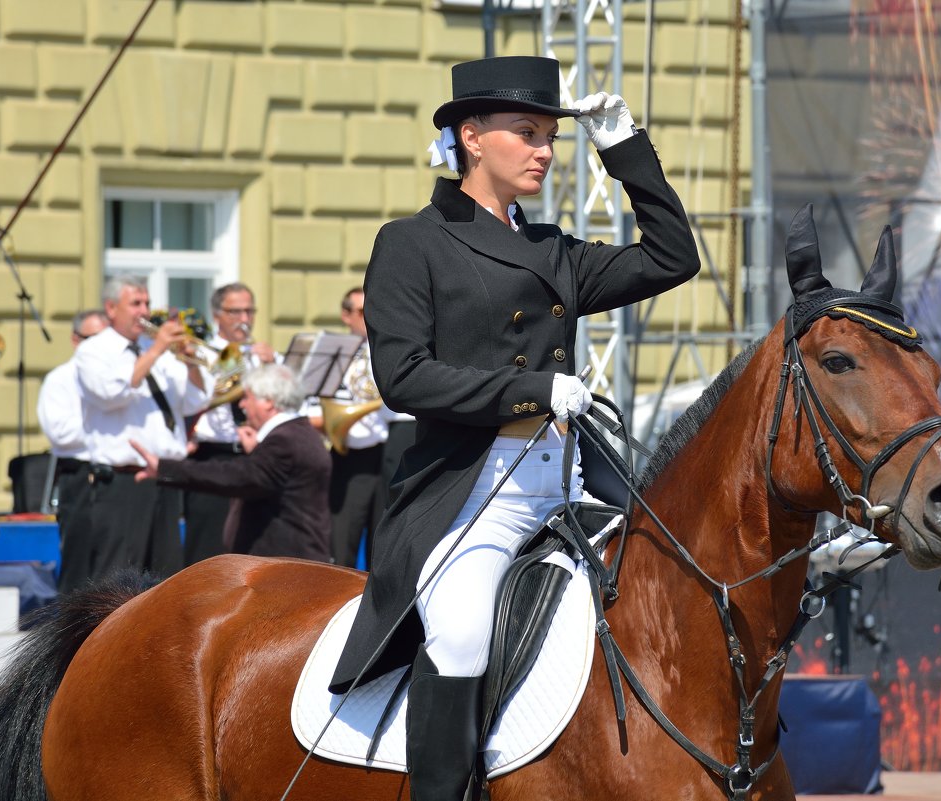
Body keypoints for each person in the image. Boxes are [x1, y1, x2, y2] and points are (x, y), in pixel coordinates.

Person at [328, 56, 700, 801]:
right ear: (471, 136)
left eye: (551, 138)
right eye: (526, 133)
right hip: (475, 493)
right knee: (462, 629)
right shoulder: (412, 242)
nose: (543, 151)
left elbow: (671, 256)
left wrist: (625, 149)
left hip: (569, 484)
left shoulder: (550, 249)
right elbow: (404, 378)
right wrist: (531, 389)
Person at [74, 275, 211, 582]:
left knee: (166, 578)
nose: (144, 310)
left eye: (146, 302)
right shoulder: (94, 351)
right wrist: (155, 351)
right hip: (123, 481)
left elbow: (194, 401)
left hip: (164, 477)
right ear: (111, 308)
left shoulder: (157, 352)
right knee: (117, 580)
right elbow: (111, 394)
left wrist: (190, 362)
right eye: (135, 303)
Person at [131, 363, 332, 560]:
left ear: (269, 402)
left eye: (246, 397)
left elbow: (238, 477)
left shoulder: (283, 441)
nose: (242, 404)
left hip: (286, 567)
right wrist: (258, 451)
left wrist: (165, 468)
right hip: (292, 562)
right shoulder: (300, 433)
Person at [184, 282, 278, 566]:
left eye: (250, 311)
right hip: (213, 454)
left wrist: (272, 367)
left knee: (253, 549)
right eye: (235, 312)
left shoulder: (260, 356)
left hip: (254, 456)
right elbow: (197, 399)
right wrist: (230, 363)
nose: (245, 319)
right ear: (217, 315)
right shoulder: (202, 354)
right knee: (209, 547)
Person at [36, 309, 109, 593]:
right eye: (94, 339)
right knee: (78, 563)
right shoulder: (60, 379)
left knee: (114, 561)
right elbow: (60, 433)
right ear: (76, 340)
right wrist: (106, 427)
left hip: (113, 478)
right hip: (80, 475)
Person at [326, 287, 390, 568]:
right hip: (351, 456)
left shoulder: (387, 349)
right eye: (362, 312)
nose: (369, 317)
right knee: (344, 544)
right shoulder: (332, 354)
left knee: (383, 542)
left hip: (386, 454)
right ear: (345, 315)